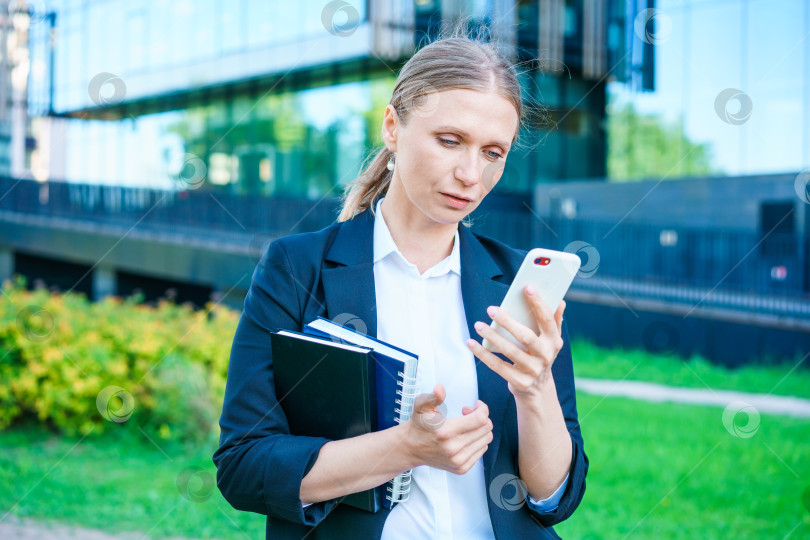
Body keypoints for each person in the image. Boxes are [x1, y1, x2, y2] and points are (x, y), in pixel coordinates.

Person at [213, 31, 588, 540]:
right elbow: (244, 467)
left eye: (493, 152)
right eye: (450, 141)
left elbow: (552, 498)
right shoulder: (296, 269)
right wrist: (406, 448)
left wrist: (535, 388)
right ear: (392, 126)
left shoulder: (520, 288)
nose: (469, 174)